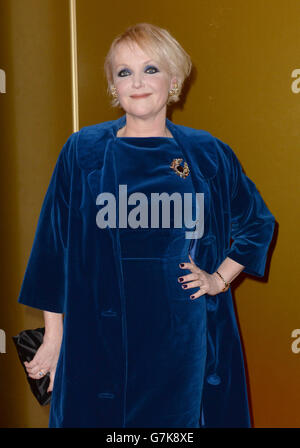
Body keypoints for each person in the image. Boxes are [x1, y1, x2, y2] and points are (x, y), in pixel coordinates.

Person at [17, 23, 275, 428]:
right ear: (113, 85)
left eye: (150, 69)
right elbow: (54, 247)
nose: (137, 82)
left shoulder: (207, 153)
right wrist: (53, 337)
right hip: (97, 342)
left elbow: (257, 224)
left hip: (183, 349)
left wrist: (218, 280)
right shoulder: (82, 151)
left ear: (173, 80)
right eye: (124, 72)